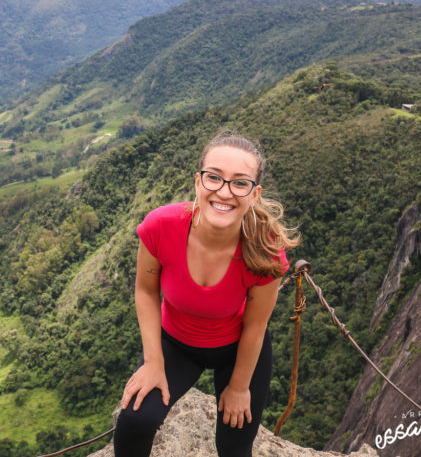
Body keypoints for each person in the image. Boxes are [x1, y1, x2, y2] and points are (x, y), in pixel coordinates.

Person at [113, 131, 299, 457]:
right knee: (134, 421)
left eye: (239, 183)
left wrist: (240, 387)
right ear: (198, 181)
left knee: (234, 444)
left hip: (237, 346)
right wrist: (154, 362)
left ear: (254, 194)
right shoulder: (161, 226)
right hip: (176, 343)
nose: (224, 192)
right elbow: (145, 291)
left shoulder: (265, 250)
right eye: (214, 178)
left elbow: (256, 327)